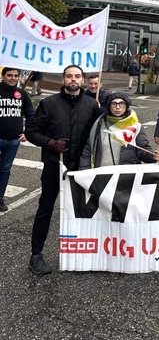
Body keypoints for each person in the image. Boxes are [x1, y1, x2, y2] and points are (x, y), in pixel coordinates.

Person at [25, 65, 100, 275]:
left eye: (77, 76)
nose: (73, 80)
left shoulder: (91, 105)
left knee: (84, 210)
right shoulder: (48, 104)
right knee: (45, 209)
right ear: (63, 79)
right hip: (54, 165)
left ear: (83, 80)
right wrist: (50, 143)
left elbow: (103, 131)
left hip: (81, 168)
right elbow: (31, 131)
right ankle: (36, 255)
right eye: (69, 76)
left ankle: (84, 252)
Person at [79, 92, 159, 169]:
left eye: (121, 103)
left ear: (126, 106)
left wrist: (152, 156)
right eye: (114, 104)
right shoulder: (99, 125)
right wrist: (83, 170)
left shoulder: (135, 126)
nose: (117, 107)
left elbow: (142, 149)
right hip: (102, 175)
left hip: (125, 176)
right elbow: (89, 149)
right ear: (109, 106)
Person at [0, 67, 35, 212]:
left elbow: (31, 114)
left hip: (13, 140)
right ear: (3, 76)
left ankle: (0, 198)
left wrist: (28, 132)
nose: (13, 78)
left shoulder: (22, 93)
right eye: (9, 75)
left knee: (5, 170)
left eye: (16, 75)